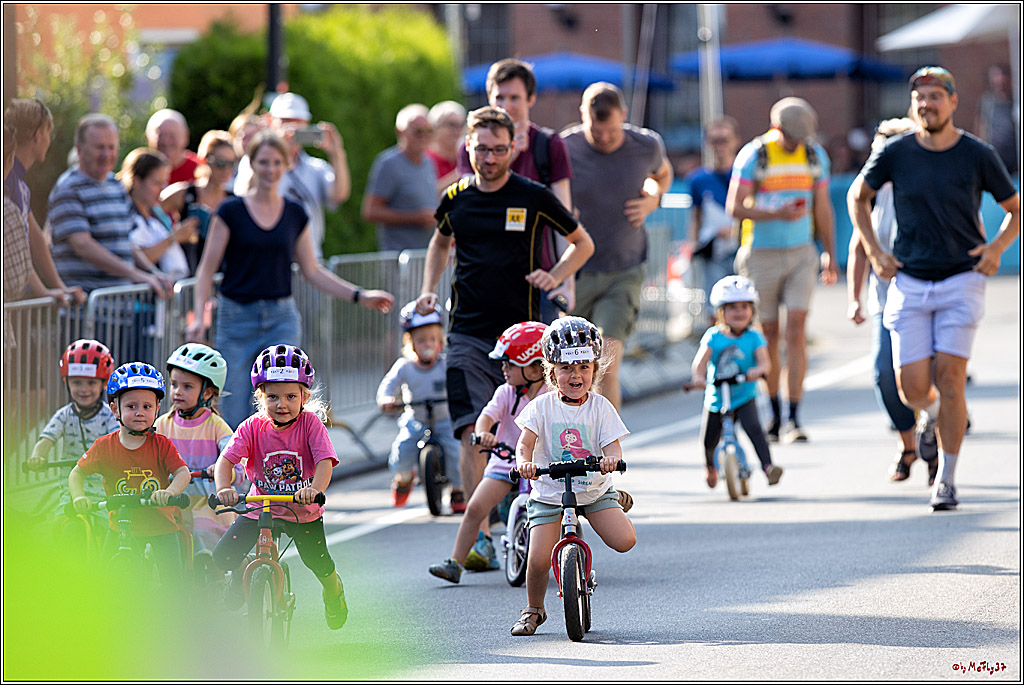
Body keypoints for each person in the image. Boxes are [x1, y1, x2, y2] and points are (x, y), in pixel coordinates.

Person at [848, 66, 1020, 511]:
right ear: (913, 105)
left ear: (953, 101)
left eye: (936, 97)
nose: (927, 104)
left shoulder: (977, 154)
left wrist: (997, 248)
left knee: (951, 379)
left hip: (962, 280)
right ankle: (932, 414)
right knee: (911, 389)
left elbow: (1015, 209)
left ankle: (946, 479)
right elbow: (857, 197)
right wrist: (876, 251)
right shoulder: (896, 152)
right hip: (909, 281)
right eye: (920, 98)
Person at [416, 105, 594, 506]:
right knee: (472, 431)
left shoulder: (532, 195)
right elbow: (439, 243)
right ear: (468, 147)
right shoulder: (455, 197)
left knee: (537, 428)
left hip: (524, 340)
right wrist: (428, 289)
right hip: (467, 332)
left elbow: (583, 243)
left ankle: (538, 510)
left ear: (513, 148)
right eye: (482, 149)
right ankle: (481, 528)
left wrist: (555, 274)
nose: (490, 158)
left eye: (498, 149)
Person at [187, 130, 394, 430]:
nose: (270, 169)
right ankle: (234, 462)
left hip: (280, 318)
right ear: (251, 164)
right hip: (236, 319)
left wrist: (360, 295)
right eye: (263, 162)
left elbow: (312, 270)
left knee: (282, 406)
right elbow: (206, 270)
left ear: (286, 165)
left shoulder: (295, 213)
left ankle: (280, 461)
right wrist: (199, 317)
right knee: (234, 407)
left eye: (276, 162)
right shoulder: (231, 211)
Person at [510, 317, 635, 636]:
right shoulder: (541, 407)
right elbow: (524, 444)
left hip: (592, 489)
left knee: (625, 541)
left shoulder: (601, 407)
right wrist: (525, 463)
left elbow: (612, 445)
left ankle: (613, 498)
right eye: (566, 368)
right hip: (550, 492)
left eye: (583, 367)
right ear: (551, 372)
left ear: (595, 369)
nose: (575, 375)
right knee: (538, 559)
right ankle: (534, 609)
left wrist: (611, 460)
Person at [725, 96, 838, 444]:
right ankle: (773, 413)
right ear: (776, 128)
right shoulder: (754, 156)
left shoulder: (814, 156)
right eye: (791, 138)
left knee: (797, 330)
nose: (796, 145)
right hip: (760, 254)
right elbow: (735, 207)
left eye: (801, 139)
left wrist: (830, 254)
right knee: (769, 334)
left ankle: (794, 417)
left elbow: (823, 207)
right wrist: (776, 214)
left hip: (801, 252)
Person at [211, 345, 348, 629]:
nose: (281, 404)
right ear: (260, 397)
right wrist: (224, 488)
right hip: (261, 506)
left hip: (302, 510)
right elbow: (226, 460)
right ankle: (243, 574)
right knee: (223, 556)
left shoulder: (310, 425)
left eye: (290, 396)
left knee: (318, 562)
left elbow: (325, 462)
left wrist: (314, 490)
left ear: (304, 396)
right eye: (272, 396)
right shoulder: (252, 427)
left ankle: (333, 589)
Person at [561, 81, 674, 409]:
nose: (604, 138)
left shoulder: (646, 144)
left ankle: (609, 438)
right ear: (582, 115)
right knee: (570, 366)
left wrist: (654, 199)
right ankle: (574, 432)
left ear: (623, 115)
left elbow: (663, 175)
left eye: (611, 131)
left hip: (624, 268)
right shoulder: (565, 147)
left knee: (606, 360)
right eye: (596, 131)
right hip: (576, 272)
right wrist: (560, 211)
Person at [846, 117, 935, 484]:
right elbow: (858, 246)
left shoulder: (928, 182)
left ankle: (936, 450)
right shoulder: (871, 192)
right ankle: (907, 444)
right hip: (887, 302)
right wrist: (854, 299)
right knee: (885, 375)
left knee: (929, 375)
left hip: (929, 295)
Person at [428, 321, 550, 581]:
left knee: (559, 510)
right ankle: (455, 563)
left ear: (536, 367)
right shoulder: (505, 392)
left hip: (541, 466)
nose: (502, 369)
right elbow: (486, 416)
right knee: (475, 507)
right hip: (506, 462)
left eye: (509, 364)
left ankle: (567, 559)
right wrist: (483, 433)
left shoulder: (552, 395)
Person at [459, 58, 577, 323]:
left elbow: (564, 221)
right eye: (499, 98)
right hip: (485, 280)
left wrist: (566, 283)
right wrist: (507, 157)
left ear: (531, 99)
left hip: (539, 280)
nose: (506, 106)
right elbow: (470, 205)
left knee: (538, 351)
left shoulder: (548, 145)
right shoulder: (471, 147)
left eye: (514, 98)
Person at [68, 362, 191, 586]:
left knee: (173, 584)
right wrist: (79, 497)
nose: (140, 412)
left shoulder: (162, 445)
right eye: (131, 406)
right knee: (103, 580)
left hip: (161, 525)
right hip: (121, 526)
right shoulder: (104, 446)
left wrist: (170, 492)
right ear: (115, 409)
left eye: (147, 406)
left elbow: (183, 472)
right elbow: (77, 474)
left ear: (157, 409)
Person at [47, 113, 170, 297]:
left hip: (120, 305)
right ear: (79, 149)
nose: (106, 154)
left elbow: (127, 242)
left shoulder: (116, 186)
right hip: (86, 306)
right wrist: (135, 274)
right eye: (99, 147)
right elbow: (83, 245)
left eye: (111, 147)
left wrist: (153, 273)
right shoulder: (68, 189)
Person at [233, 92, 350, 261]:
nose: (292, 128)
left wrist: (337, 154)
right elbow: (242, 195)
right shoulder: (254, 161)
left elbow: (339, 196)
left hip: (309, 262)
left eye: (298, 122)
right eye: (285, 121)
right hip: (266, 261)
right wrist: (277, 150)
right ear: (271, 122)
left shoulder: (316, 167)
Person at [690, 275, 782, 490]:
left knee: (755, 430)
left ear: (752, 310)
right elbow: (700, 363)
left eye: (744, 307)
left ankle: (768, 467)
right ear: (721, 312)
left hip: (743, 395)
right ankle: (710, 467)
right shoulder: (713, 336)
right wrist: (698, 378)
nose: (739, 312)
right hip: (717, 398)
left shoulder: (754, 337)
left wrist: (758, 370)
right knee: (709, 439)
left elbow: (765, 363)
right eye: (732, 307)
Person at [376, 302, 463, 509]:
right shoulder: (405, 366)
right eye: (421, 341)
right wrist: (386, 399)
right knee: (401, 452)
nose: (427, 345)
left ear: (440, 342)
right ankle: (404, 477)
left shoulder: (446, 365)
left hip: (444, 420)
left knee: (457, 453)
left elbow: (460, 383)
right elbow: (388, 385)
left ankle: (458, 490)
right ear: (411, 343)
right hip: (416, 419)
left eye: (432, 339)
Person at [155, 342, 237, 556]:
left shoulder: (217, 426)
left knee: (203, 531)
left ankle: (213, 572)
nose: (177, 392)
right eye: (174, 384)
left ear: (208, 392)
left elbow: (235, 460)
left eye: (187, 387)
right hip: (170, 500)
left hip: (207, 503)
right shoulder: (161, 425)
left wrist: (222, 468)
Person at [27, 339, 119, 529]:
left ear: (104, 384)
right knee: (59, 526)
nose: (84, 389)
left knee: (108, 529)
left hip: (103, 492)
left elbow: (119, 441)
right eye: (77, 382)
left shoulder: (110, 415)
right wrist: (37, 456)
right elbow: (47, 439)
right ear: (66, 382)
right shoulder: (64, 415)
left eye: (91, 383)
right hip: (71, 489)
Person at [3, 99, 86, 305]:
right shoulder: (10, 178)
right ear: (37, 135)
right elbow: (20, 246)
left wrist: (58, 286)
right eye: (48, 133)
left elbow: (34, 235)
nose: (49, 140)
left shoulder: (18, 180)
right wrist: (44, 291)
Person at [361, 104, 439, 252]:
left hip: (425, 256)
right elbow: (370, 211)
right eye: (418, 132)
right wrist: (414, 218)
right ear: (400, 131)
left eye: (428, 131)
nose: (424, 137)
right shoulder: (388, 164)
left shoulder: (429, 162)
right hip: (398, 257)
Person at [686, 116, 741, 323]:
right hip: (713, 250)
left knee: (744, 304)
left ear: (735, 141)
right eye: (715, 141)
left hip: (742, 247)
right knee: (715, 304)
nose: (720, 146)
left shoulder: (745, 175)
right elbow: (696, 215)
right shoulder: (698, 180)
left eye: (724, 140)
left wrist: (735, 229)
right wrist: (693, 244)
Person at [160, 130, 237, 274]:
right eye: (221, 163)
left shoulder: (234, 200)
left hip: (224, 276)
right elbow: (146, 213)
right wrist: (175, 234)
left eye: (231, 163)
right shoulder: (184, 193)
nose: (226, 169)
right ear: (205, 159)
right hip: (188, 277)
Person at [119, 147, 197, 282]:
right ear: (137, 181)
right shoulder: (125, 214)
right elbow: (135, 260)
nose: (162, 189)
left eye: (164, 183)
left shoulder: (156, 212)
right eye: (156, 183)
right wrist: (174, 238)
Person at [975, 64, 1018, 176]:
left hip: (1015, 160)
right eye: (996, 79)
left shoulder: (1016, 102)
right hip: (995, 158)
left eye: (1003, 80)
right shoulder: (987, 102)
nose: (1000, 84)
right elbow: (981, 127)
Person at [145, 109, 200, 186]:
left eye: (172, 135)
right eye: (160, 135)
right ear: (147, 138)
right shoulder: (140, 171)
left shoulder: (201, 170)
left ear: (185, 136)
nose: (166, 141)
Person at [426, 100, 466, 192]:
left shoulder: (467, 156)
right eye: (452, 125)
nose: (457, 130)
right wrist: (460, 173)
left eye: (461, 125)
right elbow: (427, 194)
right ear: (435, 127)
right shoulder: (425, 159)